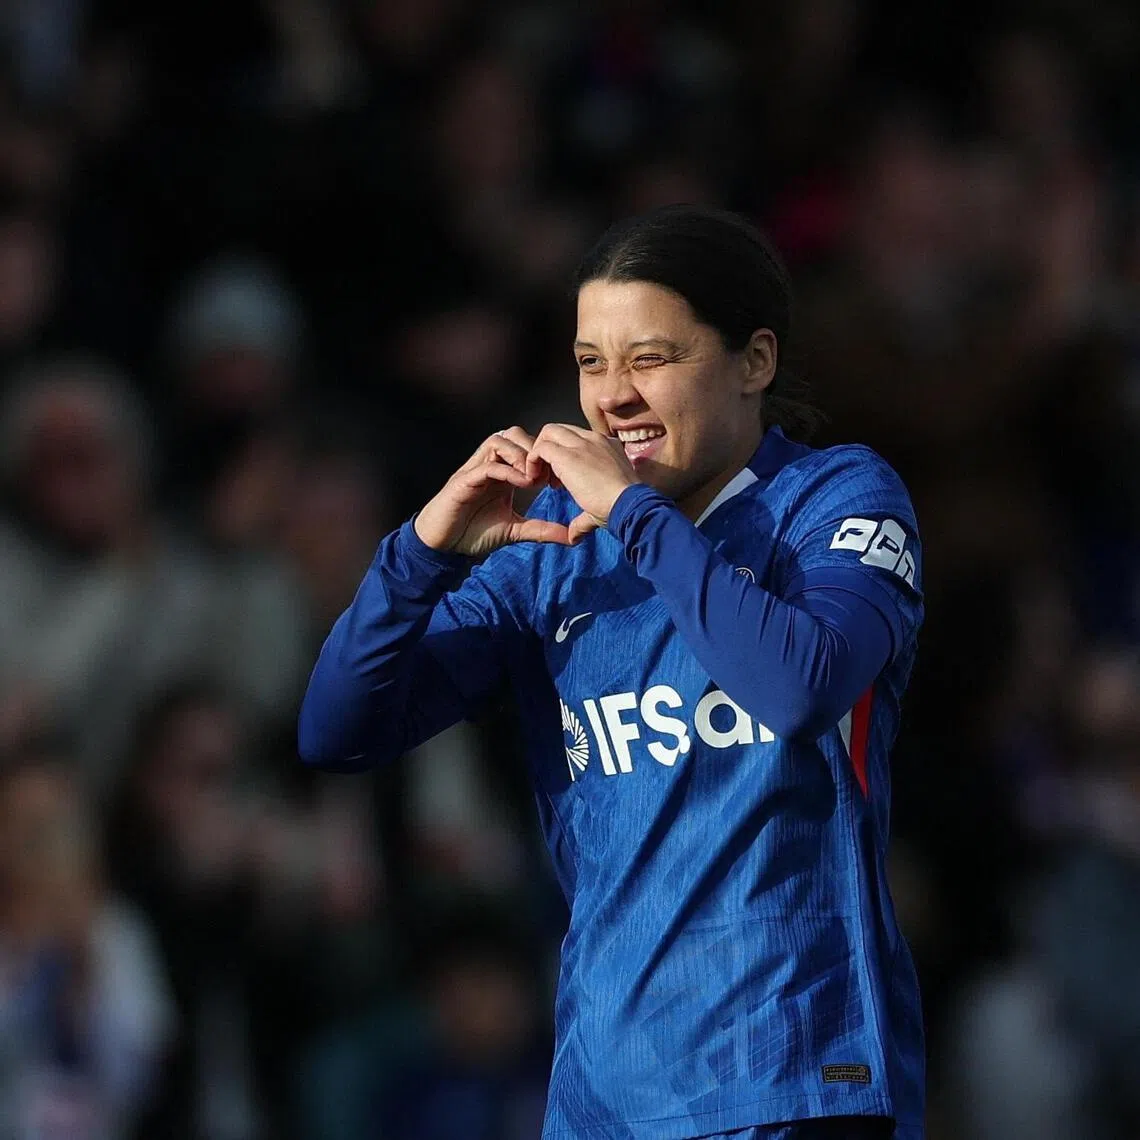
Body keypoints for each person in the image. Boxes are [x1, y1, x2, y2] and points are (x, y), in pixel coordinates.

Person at [299, 204, 925, 1139]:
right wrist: (422, 549)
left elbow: (801, 687)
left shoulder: (835, 499)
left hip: (795, 1073)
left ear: (754, 361)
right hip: (605, 1095)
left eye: (652, 358)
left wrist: (633, 515)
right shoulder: (554, 554)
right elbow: (339, 731)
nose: (613, 395)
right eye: (592, 361)